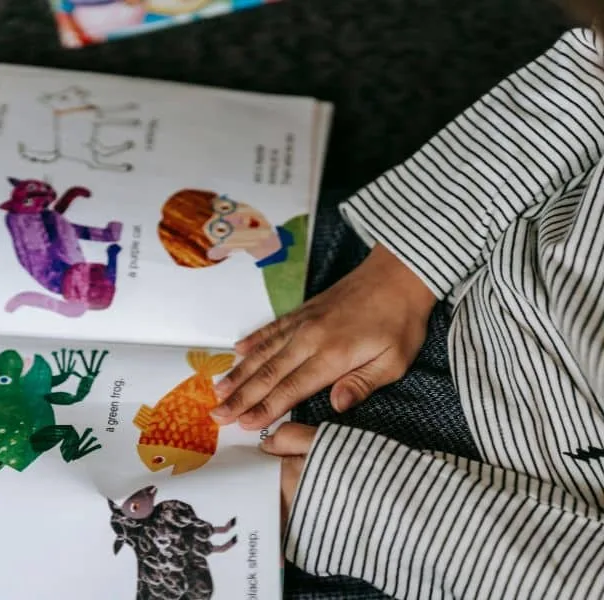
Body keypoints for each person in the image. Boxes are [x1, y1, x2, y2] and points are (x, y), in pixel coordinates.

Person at [208, 21, 604, 600]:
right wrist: (405, 269)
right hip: (470, 263)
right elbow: (592, 70)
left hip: (465, 545)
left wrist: (374, 512)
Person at [157, 188, 309, 317]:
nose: (237, 218)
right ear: (218, 253)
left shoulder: (301, 223)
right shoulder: (281, 291)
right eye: (221, 229)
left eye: (225, 207)